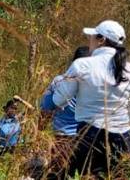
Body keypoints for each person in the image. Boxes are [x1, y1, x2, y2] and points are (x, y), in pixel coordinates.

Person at [52, 20, 130, 178]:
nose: (90, 40)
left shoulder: (82, 65)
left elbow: (59, 100)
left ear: (101, 40)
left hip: (88, 135)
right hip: (122, 137)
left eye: (92, 37)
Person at [39, 46, 91, 176]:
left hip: (62, 139)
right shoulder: (97, 84)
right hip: (88, 140)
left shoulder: (59, 81)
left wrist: (40, 132)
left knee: (58, 174)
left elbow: (46, 107)